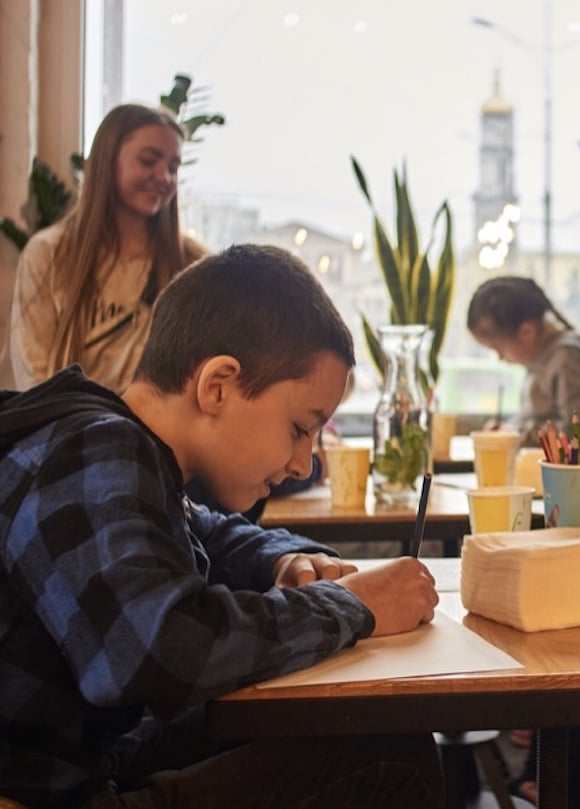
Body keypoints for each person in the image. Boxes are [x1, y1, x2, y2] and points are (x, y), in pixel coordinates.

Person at [0, 244, 444, 808]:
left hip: (85, 764)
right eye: (299, 428)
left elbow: (207, 530)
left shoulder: (126, 451)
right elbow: (158, 650)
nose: (304, 464)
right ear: (218, 386)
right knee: (393, 756)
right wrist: (353, 606)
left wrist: (286, 558)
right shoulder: (96, 451)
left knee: (357, 729)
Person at [9, 103, 207, 393]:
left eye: (173, 168)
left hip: (157, 439)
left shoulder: (195, 265)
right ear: (107, 160)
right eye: (149, 160)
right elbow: (33, 377)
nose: (164, 177)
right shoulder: (49, 253)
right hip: (67, 434)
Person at [468, 275, 580, 446]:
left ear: (526, 332)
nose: (500, 358)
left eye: (498, 349)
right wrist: (509, 428)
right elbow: (541, 419)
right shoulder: (541, 360)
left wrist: (515, 435)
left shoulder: (565, 360)